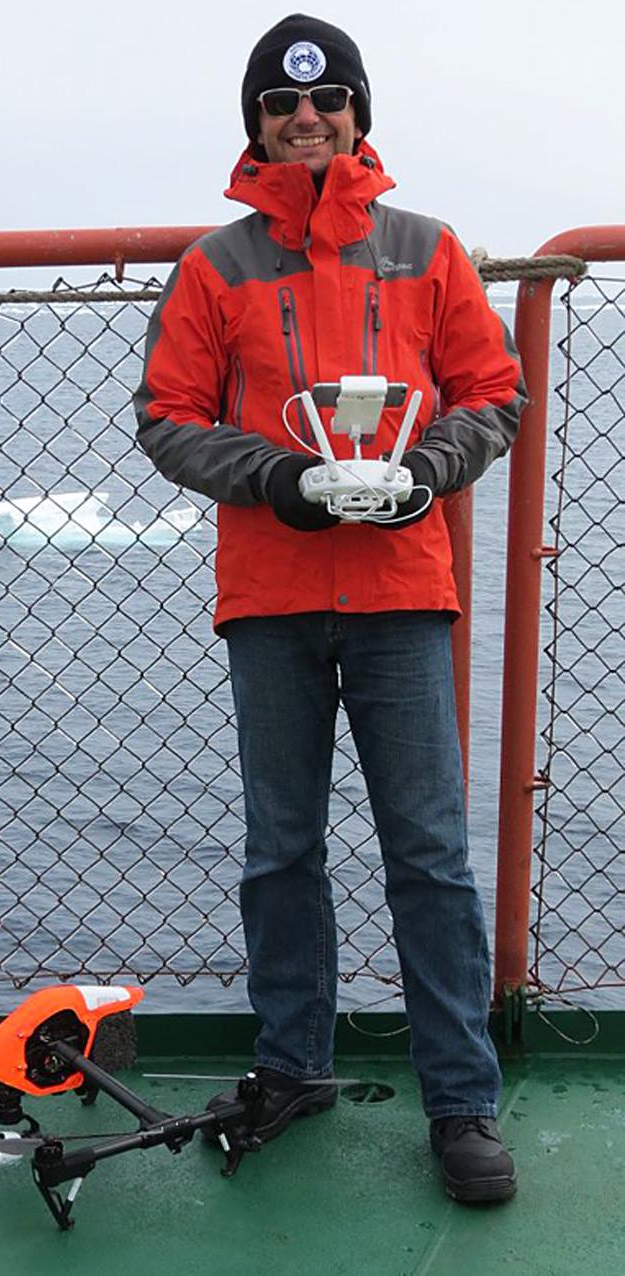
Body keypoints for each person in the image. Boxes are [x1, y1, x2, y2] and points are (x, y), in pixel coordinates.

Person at [133, 14, 526, 1203]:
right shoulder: (214, 267)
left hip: (402, 595)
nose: (303, 119)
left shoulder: (428, 248)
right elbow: (166, 417)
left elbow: (492, 391)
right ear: (252, 124)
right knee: (280, 853)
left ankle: (457, 1103)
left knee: (428, 859)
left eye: (326, 101)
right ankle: (291, 1065)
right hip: (272, 599)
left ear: (358, 113)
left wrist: (423, 471)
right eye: (278, 106)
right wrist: (279, 481)